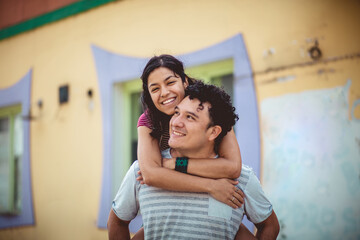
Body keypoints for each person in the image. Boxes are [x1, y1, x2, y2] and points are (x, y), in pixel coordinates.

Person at [108, 81, 280, 239]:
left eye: (189, 117)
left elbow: (269, 225)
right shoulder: (144, 170)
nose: (175, 122)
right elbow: (117, 222)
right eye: (176, 113)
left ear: (213, 132)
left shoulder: (241, 178)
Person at [136, 54, 243, 209]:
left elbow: (232, 167)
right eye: (155, 89)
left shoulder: (209, 107)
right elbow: (151, 175)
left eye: (170, 82)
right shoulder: (149, 121)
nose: (164, 92)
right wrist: (211, 186)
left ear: (185, 81)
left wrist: (174, 164)